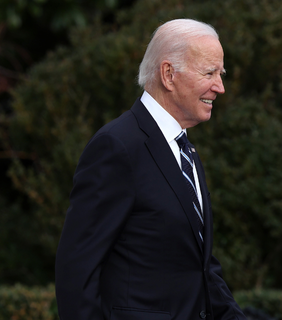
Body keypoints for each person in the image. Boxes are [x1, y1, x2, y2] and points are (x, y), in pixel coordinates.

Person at [55, 19, 247, 320]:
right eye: (209, 73)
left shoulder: (187, 152)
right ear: (169, 75)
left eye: (219, 74)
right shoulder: (117, 146)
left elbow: (201, 268)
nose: (220, 87)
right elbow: (77, 270)